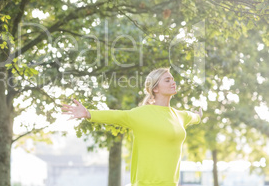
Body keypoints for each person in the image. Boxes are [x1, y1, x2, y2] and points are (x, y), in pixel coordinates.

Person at [61, 67, 203, 186]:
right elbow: (116, 116)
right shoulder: (141, 114)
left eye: (172, 79)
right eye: (167, 80)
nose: (173, 82)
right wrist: (88, 113)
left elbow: (194, 117)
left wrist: (198, 115)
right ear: (155, 89)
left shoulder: (180, 115)